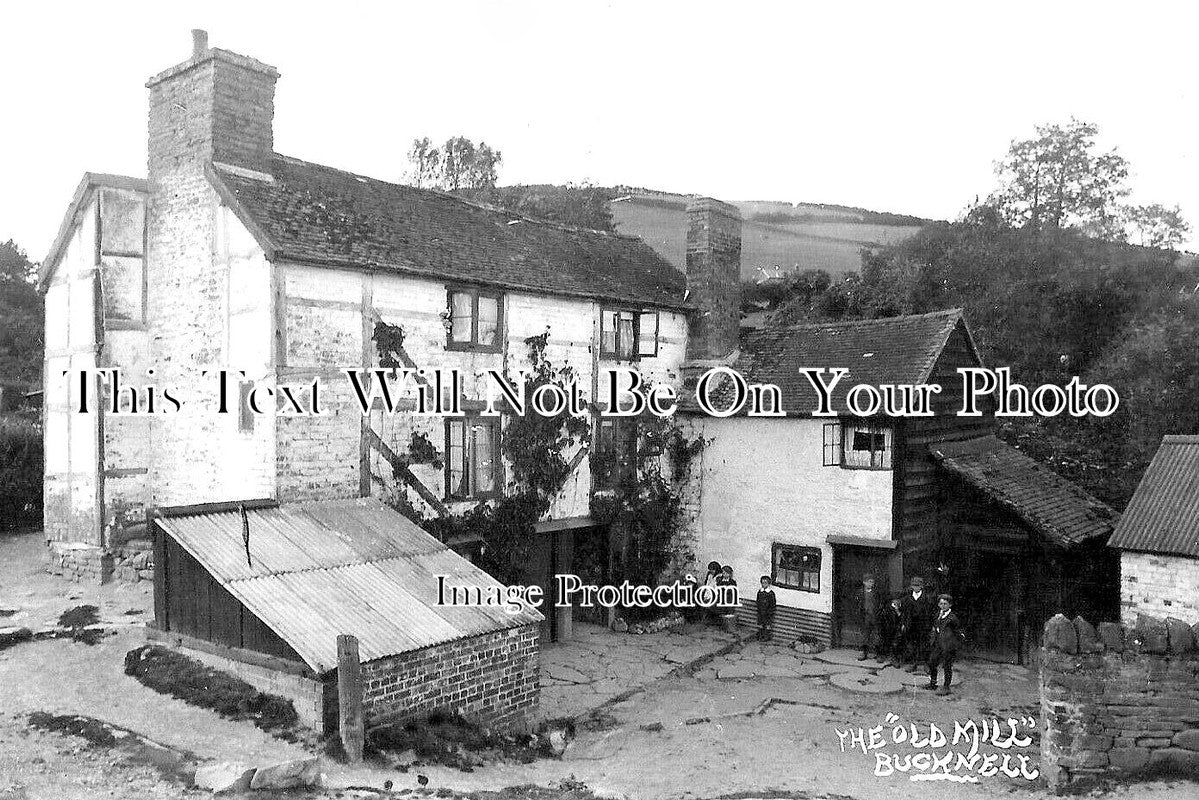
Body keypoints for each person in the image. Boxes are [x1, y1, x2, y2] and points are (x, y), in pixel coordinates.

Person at [925, 593, 963, 695]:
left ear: (950, 605)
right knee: (932, 662)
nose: (943, 606)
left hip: (948, 645)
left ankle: (946, 687)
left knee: (947, 666)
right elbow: (935, 627)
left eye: (945, 604)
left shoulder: (953, 618)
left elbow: (958, 632)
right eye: (941, 603)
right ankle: (933, 683)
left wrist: (954, 644)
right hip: (938, 644)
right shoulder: (938, 615)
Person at [901, 576, 935, 672]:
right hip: (911, 625)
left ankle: (926, 664)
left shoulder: (927, 598)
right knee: (912, 645)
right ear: (911, 586)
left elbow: (931, 613)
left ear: (922, 586)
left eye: (918, 586)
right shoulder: (907, 598)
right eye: (914, 585)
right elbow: (904, 612)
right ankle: (913, 663)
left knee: (925, 644)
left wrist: (932, 625)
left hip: (924, 625)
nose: (916, 587)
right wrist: (904, 623)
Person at [857, 574, 881, 661]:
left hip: (875, 616)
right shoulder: (861, 592)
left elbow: (880, 604)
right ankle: (863, 652)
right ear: (864, 582)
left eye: (872, 582)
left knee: (876, 634)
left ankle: (877, 653)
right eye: (869, 582)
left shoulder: (876, 592)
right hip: (865, 616)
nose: (871, 584)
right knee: (864, 634)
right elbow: (858, 605)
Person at [879, 597, 906, 667]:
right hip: (888, 628)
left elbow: (903, 618)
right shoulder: (887, 609)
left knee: (896, 642)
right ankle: (883, 655)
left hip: (898, 628)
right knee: (884, 640)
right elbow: (884, 618)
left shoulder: (902, 607)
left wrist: (897, 611)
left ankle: (895, 658)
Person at [716, 564, 738, 629]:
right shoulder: (720, 581)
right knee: (722, 611)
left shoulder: (732, 582)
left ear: (729, 574)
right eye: (723, 573)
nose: (724, 574)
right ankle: (723, 625)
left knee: (729, 612)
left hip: (729, 599)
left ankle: (729, 626)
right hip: (722, 598)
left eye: (726, 573)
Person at [756, 575, 777, 641]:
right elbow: (758, 600)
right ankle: (760, 635)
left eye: (765, 583)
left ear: (768, 584)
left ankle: (767, 636)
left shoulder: (770, 593)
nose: (763, 584)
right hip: (761, 611)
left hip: (768, 612)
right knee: (761, 623)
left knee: (767, 624)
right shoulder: (760, 592)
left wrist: (770, 612)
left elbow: (773, 603)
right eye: (762, 583)